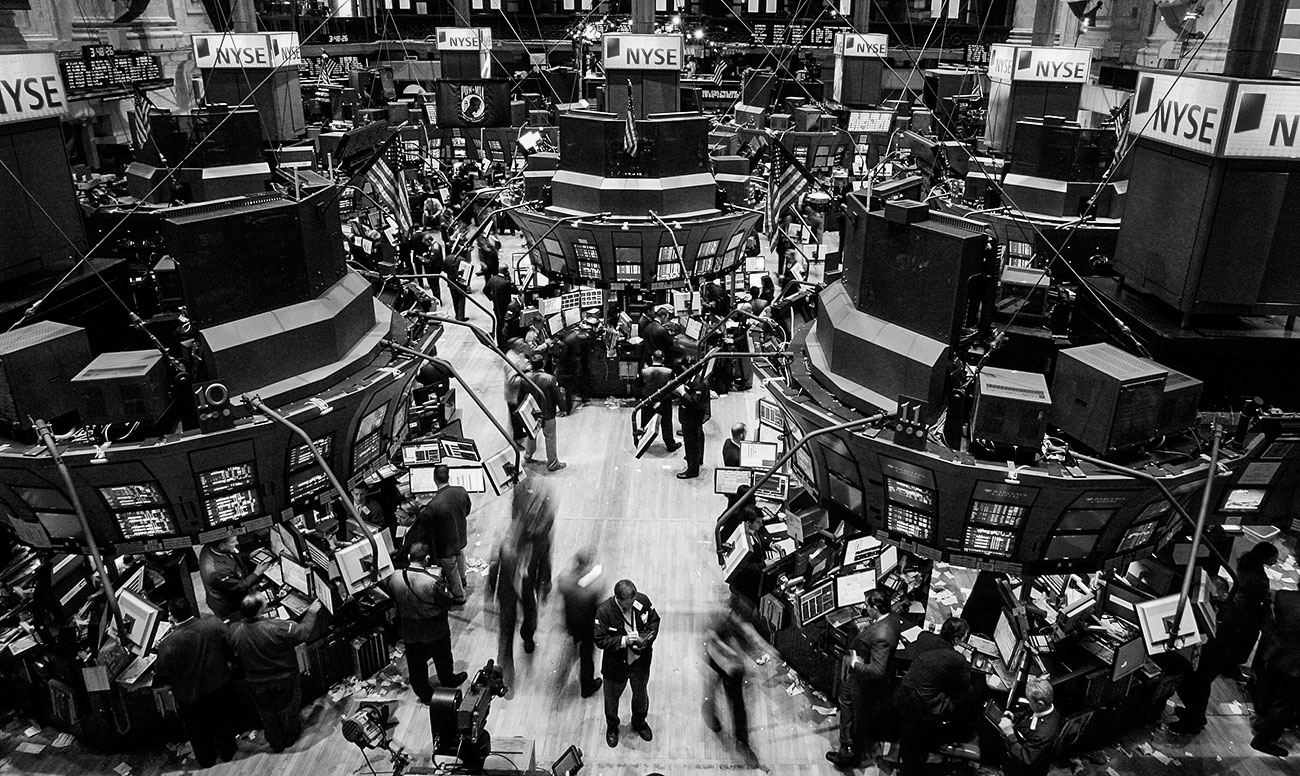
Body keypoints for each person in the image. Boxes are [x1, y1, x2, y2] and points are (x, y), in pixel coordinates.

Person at [226, 592, 323, 752]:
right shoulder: (277, 627)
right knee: (288, 709)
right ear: (260, 610)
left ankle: (276, 742)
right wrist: (312, 611)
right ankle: (290, 738)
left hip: (256, 682)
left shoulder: (234, 631)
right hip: (283, 678)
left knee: (266, 713)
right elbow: (304, 632)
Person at [152, 597, 237, 768]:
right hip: (219, 684)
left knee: (198, 731)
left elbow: (161, 671)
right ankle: (228, 752)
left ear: (172, 616)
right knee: (222, 721)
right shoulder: (214, 624)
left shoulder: (168, 643)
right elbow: (230, 642)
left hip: (190, 695)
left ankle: (206, 760)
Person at [488, 479, 554, 686]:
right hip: (509, 593)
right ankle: (505, 663)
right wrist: (490, 595)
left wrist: (545, 584)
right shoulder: (506, 550)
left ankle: (527, 636)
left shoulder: (539, 542)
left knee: (530, 615)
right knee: (506, 628)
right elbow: (493, 575)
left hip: (527, 586)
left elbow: (545, 563)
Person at [384, 542, 468, 703]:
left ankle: (424, 694)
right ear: (427, 559)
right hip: (434, 627)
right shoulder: (433, 581)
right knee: (442, 657)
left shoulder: (394, 577)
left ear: (409, 557)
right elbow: (447, 601)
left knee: (416, 664)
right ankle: (448, 680)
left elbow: (391, 595)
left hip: (409, 628)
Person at [827, 589, 902, 769]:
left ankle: (849, 753)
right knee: (845, 699)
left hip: (864, 682)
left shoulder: (881, 635)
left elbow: (877, 670)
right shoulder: (892, 617)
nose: (865, 608)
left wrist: (854, 664)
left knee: (855, 713)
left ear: (875, 608)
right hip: (859, 681)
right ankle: (848, 740)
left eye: (867, 606)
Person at [895, 617, 974, 776]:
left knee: (910, 739)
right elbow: (964, 685)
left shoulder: (924, 636)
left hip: (905, 695)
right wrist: (966, 659)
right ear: (958, 639)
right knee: (970, 692)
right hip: (926, 705)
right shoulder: (957, 659)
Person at [595, 579, 661, 748]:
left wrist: (645, 639)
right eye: (627, 604)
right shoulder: (604, 612)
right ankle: (612, 727)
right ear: (617, 599)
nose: (632, 605)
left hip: (640, 662)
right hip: (616, 665)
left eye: (633, 601)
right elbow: (600, 639)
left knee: (641, 695)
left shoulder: (641, 601)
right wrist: (624, 640)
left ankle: (639, 722)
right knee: (611, 699)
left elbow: (654, 622)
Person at [703, 605, 762, 766]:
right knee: (719, 690)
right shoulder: (720, 623)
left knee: (737, 705)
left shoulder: (735, 621)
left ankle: (741, 742)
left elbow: (747, 637)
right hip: (723, 663)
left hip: (732, 667)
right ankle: (709, 710)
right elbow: (714, 640)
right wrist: (732, 654)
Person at [406, 464, 471, 599]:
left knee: (451, 568)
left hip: (446, 545)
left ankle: (459, 596)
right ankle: (463, 579)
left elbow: (429, 532)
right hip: (460, 535)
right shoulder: (461, 491)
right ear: (448, 477)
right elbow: (467, 510)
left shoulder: (432, 506)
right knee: (460, 556)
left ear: (434, 479)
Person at [1251, 585, 1300, 756]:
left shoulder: (1283, 596)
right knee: (1284, 704)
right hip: (1295, 664)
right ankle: (1264, 740)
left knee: (1271, 693)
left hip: (1276, 653)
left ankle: (1261, 722)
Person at [1219, 542, 1280, 679]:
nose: (1275, 562)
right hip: (1247, 611)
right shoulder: (1258, 576)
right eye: (1274, 558)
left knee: (1233, 638)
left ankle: (1227, 663)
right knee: (1245, 640)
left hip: (1236, 603)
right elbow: (1264, 595)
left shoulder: (1246, 563)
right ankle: (1231, 667)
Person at [557, 550, 605, 698]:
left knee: (575, 644)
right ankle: (587, 686)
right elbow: (597, 595)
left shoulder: (565, 579)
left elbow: (563, 584)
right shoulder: (591, 588)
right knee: (586, 655)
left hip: (571, 622)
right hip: (587, 626)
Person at [994, 676, 1062, 776]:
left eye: (1029, 701)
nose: (1028, 703)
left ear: (1040, 703)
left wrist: (1010, 734)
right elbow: (1030, 714)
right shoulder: (1045, 709)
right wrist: (1015, 716)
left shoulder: (1044, 734)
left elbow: (1025, 760)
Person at [199, 535, 272, 620]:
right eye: (233, 542)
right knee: (239, 624)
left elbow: (231, 556)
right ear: (222, 546)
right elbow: (239, 587)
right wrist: (256, 573)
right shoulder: (217, 571)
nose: (237, 543)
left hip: (230, 591)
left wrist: (250, 555)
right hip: (229, 606)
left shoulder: (212, 548)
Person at [524, 354, 566, 471]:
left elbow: (521, 396)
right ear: (543, 363)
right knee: (550, 437)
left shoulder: (525, 377)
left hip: (531, 412)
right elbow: (557, 396)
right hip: (547, 412)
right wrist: (563, 408)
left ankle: (528, 455)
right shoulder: (549, 379)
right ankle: (552, 463)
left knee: (531, 434)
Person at [637, 350, 678, 452]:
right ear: (663, 359)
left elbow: (637, 384)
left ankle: (643, 443)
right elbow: (674, 386)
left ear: (652, 358)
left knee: (645, 423)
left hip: (648, 400)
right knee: (666, 423)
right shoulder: (669, 372)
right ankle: (670, 445)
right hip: (664, 401)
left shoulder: (644, 371)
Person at [675, 362, 710, 479]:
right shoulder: (695, 378)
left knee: (691, 444)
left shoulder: (699, 383)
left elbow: (694, 402)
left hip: (692, 418)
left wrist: (682, 392)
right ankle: (697, 459)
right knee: (698, 438)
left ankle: (692, 470)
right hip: (693, 417)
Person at [482, 265, 516, 349]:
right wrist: (510, 280)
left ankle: (500, 344)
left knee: (499, 325)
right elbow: (515, 290)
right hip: (505, 308)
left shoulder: (492, 279)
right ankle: (505, 345)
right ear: (506, 271)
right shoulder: (505, 282)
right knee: (505, 326)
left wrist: (492, 298)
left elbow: (485, 290)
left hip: (496, 308)